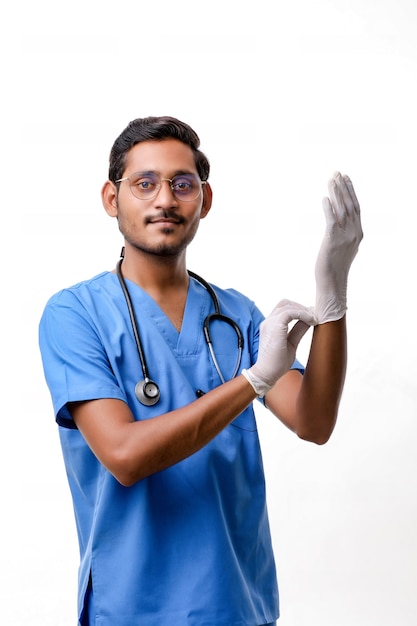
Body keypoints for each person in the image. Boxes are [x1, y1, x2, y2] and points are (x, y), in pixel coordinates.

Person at [38, 115, 363, 626]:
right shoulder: (75, 315)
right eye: (144, 184)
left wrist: (332, 303)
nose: (164, 200)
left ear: (204, 202)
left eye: (182, 184)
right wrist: (252, 381)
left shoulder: (235, 315)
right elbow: (123, 455)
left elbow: (313, 421)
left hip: (238, 604)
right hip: (131, 609)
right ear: (110, 198)